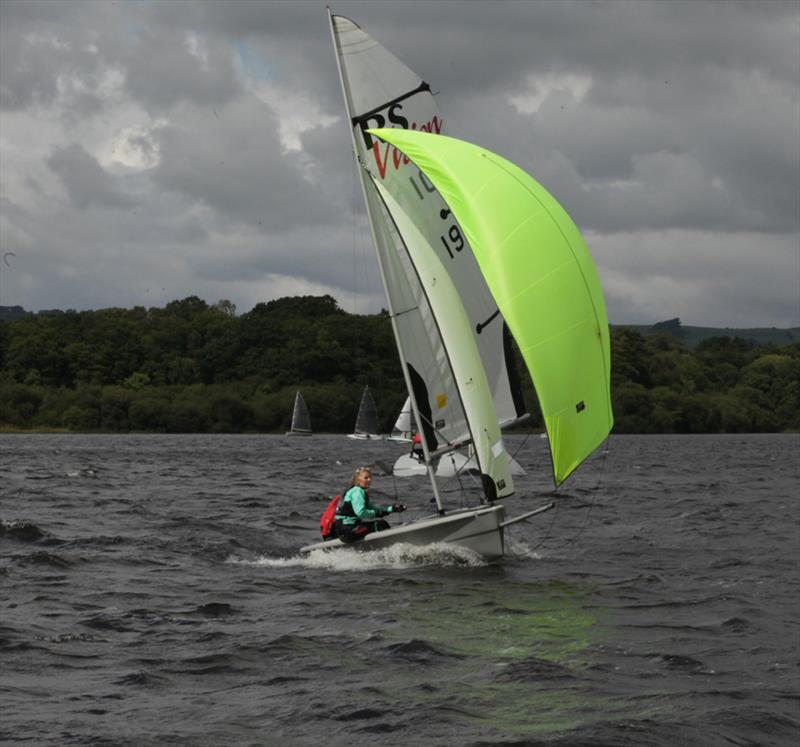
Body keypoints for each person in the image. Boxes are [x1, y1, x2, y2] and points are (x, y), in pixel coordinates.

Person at [335, 466, 406, 544]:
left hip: (344, 530)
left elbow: (373, 508)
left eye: (370, 478)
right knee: (380, 524)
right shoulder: (358, 492)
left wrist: (391, 509)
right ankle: (393, 545)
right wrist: (375, 513)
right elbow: (361, 513)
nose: (369, 480)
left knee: (377, 524)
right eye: (366, 478)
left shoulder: (355, 490)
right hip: (348, 531)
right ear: (358, 480)